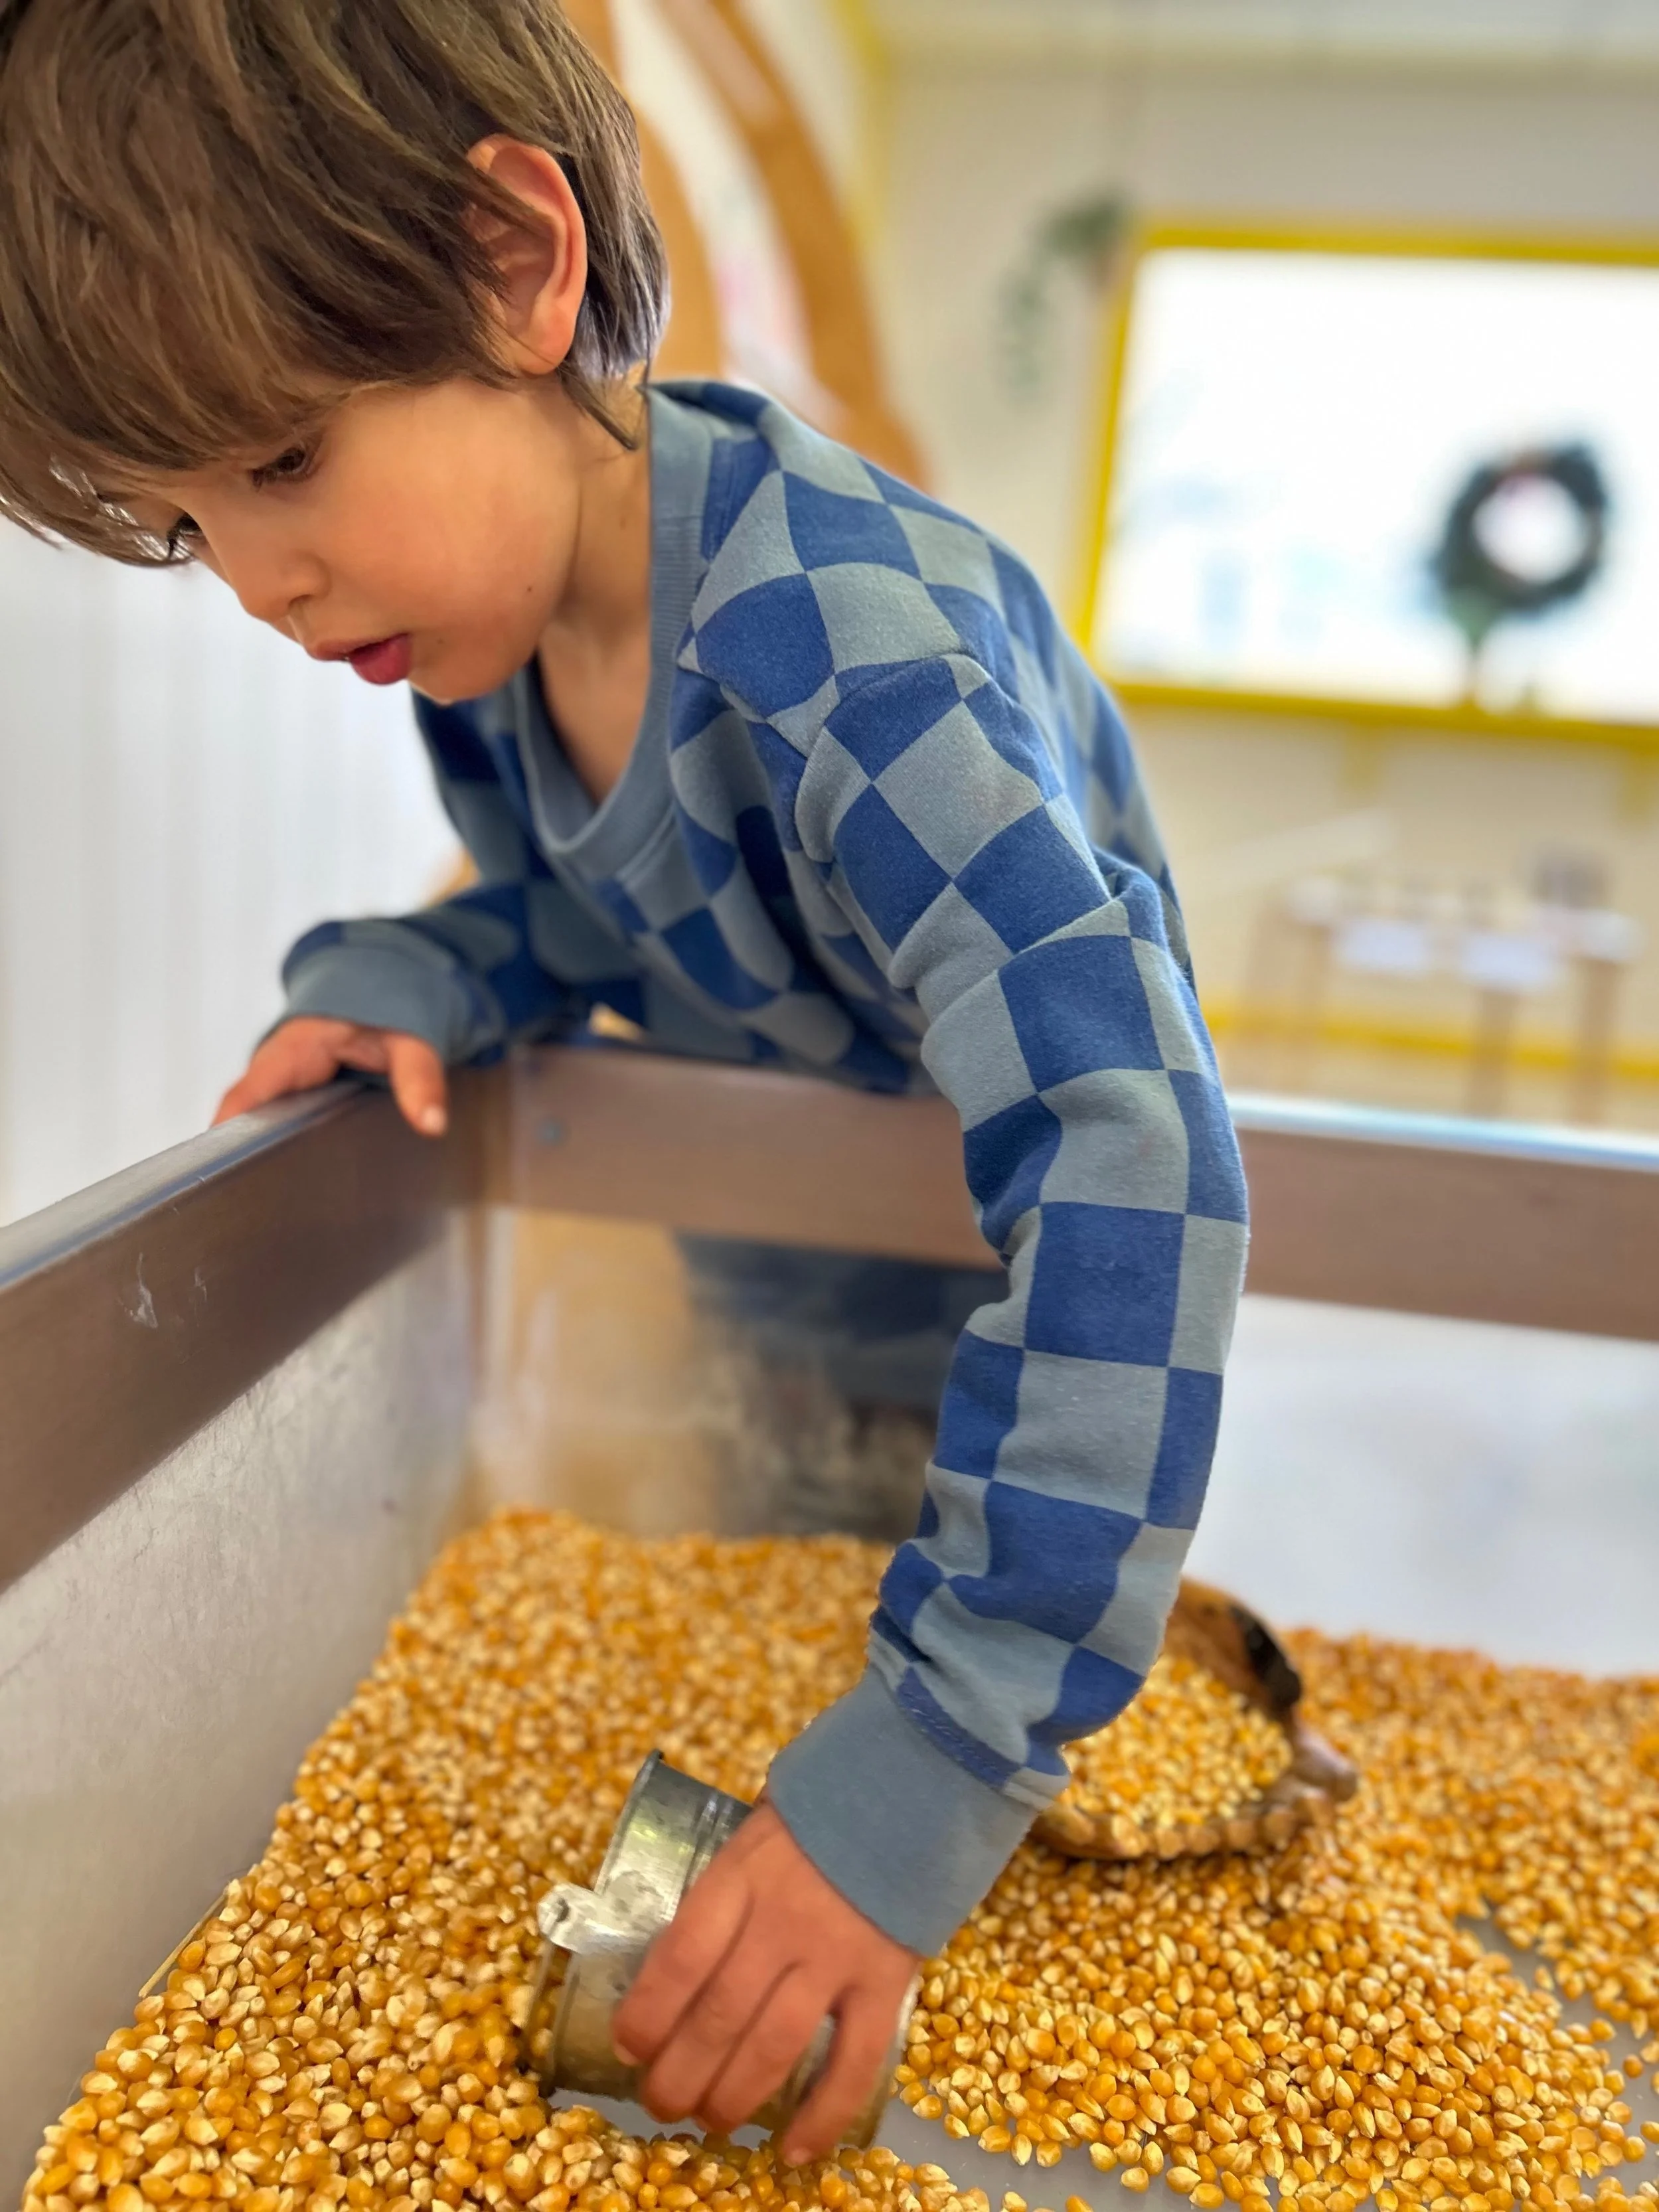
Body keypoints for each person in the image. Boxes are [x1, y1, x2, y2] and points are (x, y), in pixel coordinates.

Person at [0, 0, 1248, 2165]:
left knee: (964, 1858)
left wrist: (932, 1766)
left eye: (281, 463)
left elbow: (1136, 1157)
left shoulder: (846, 658)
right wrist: (431, 968)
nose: (266, 586)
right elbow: (607, 923)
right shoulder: (482, 660)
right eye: (193, 526)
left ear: (516, 263)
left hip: (1035, 1390)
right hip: (786, 1322)